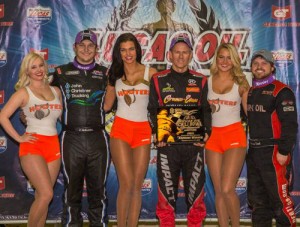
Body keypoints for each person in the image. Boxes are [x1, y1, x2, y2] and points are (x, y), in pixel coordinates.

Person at [148, 33, 211, 227]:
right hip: (168, 146)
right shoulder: (158, 79)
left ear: (191, 54)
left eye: (185, 52)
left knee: (195, 196)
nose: (181, 56)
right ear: (170, 54)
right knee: (166, 197)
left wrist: (206, 132)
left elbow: (205, 110)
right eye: (177, 52)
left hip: (194, 145)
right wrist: (158, 133)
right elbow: (151, 109)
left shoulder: (201, 79)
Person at [51, 30, 110, 226]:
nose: (86, 49)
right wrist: (27, 114)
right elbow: (43, 99)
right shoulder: (60, 73)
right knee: (71, 190)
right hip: (71, 138)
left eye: (90, 46)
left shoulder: (106, 73)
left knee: (98, 191)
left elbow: (114, 104)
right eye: (82, 45)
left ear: (96, 49)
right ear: (74, 47)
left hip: (98, 138)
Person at [0, 52, 63, 226]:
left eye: (40, 65)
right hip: (33, 146)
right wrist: (19, 138)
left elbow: (62, 119)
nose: (38, 70)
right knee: (46, 194)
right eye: (33, 67)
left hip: (53, 146)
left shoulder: (56, 91)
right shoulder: (23, 92)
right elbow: (2, 116)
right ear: (27, 71)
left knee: (42, 197)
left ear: (45, 67)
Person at [104, 32, 157, 227]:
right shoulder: (114, 75)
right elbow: (106, 106)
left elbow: (163, 103)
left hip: (143, 130)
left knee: (136, 185)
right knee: (126, 184)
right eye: (123, 50)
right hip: (120, 131)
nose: (128, 54)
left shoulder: (150, 73)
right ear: (118, 52)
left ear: (137, 50)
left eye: (131, 49)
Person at [247, 49, 298, 227]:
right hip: (254, 153)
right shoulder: (251, 91)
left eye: (264, 63)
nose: (259, 67)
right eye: (256, 64)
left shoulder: (282, 91)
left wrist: (283, 151)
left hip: (274, 153)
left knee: (280, 203)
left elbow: (290, 125)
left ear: (272, 67)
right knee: (258, 204)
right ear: (251, 68)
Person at [204, 43, 249, 227]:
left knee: (227, 188)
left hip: (234, 137)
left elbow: (250, 112)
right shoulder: (207, 81)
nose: (224, 61)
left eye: (228, 57)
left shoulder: (242, 81)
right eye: (221, 57)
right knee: (219, 190)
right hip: (213, 139)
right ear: (216, 59)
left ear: (234, 60)